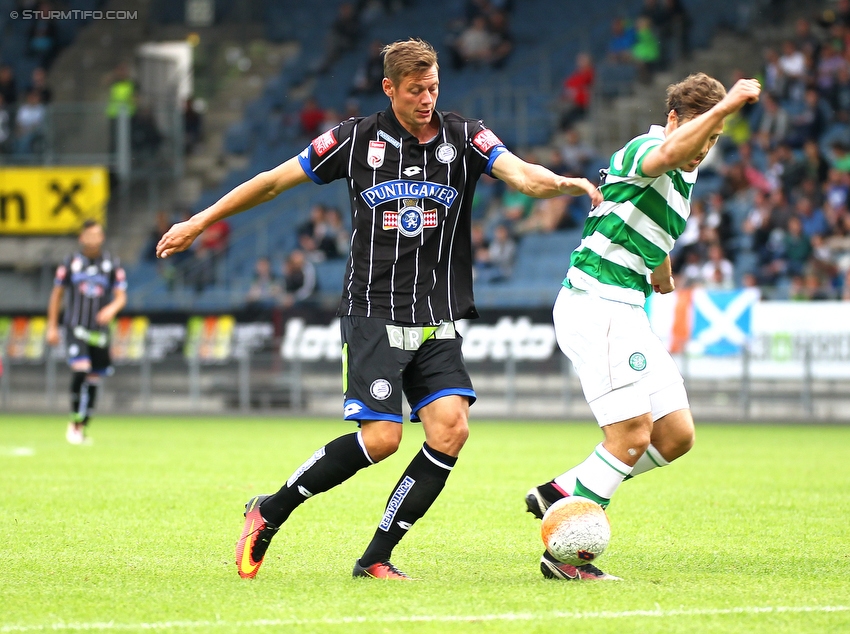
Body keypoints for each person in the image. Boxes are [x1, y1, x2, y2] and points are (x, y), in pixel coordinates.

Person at [156, 38, 601, 581]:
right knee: (383, 439)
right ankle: (269, 511)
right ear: (389, 87)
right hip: (374, 310)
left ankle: (375, 557)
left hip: (436, 313)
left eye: (433, 87)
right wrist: (200, 221)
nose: (427, 99)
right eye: (415, 90)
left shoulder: (464, 135)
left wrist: (563, 183)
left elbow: (521, 175)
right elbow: (273, 182)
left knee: (450, 429)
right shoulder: (353, 139)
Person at [524, 73, 761, 580]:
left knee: (674, 434)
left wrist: (662, 272)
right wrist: (726, 108)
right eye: (701, 132)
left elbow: (646, 225)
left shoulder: (687, 168)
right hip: (597, 302)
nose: (705, 148)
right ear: (675, 119)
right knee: (631, 434)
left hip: (627, 305)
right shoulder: (647, 146)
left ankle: (565, 491)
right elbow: (668, 156)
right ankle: (565, 555)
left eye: (714, 141)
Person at [45, 220, 127, 445]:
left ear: (102, 237)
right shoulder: (69, 263)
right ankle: (73, 421)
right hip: (76, 328)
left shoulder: (112, 264)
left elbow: (121, 296)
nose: (93, 238)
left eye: (97, 234)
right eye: (89, 234)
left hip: (99, 332)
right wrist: (52, 326)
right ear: (82, 238)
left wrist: (111, 308)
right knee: (81, 369)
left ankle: (81, 426)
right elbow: (57, 295)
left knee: (93, 380)